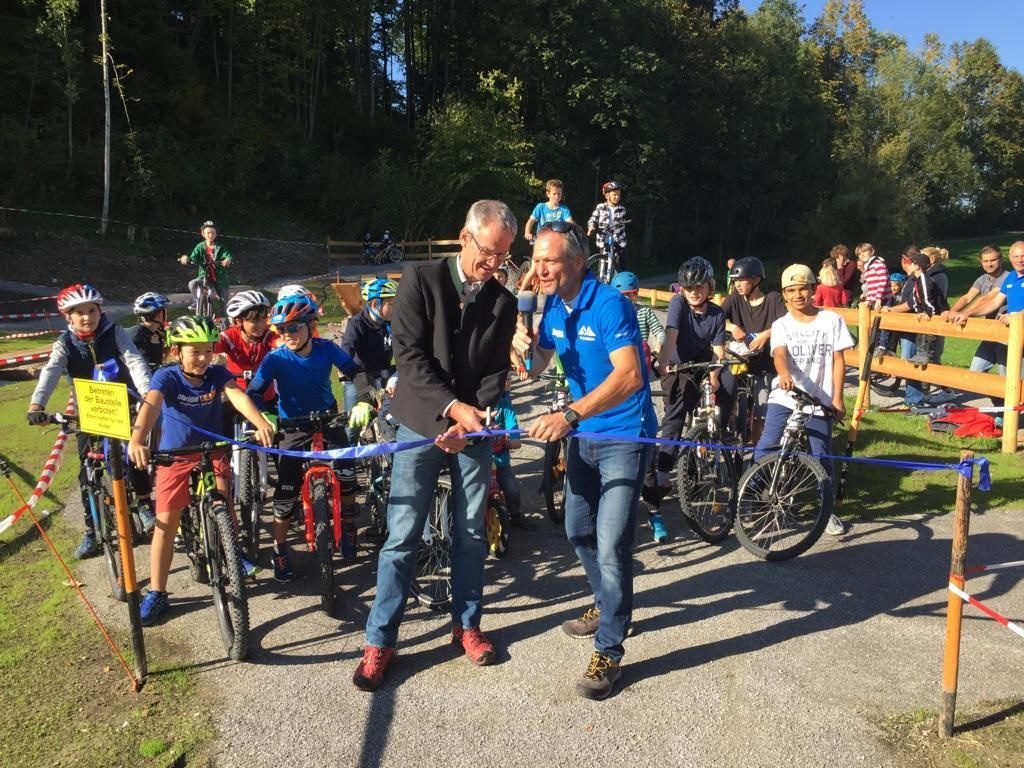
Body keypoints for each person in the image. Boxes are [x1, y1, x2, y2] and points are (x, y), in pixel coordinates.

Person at [353, 200, 518, 692]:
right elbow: (411, 359)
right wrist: (451, 410)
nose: (494, 267)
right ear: (464, 238)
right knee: (403, 536)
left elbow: (494, 373)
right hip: (419, 423)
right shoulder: (420, 280)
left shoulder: (503, 301)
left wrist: (471, 418)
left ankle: (466, 625)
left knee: (470, 533)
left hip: (473, 428)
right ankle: (380, 639)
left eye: (504, 258)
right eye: (488, 254)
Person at [511, 220, 656, 701]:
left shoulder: (609, 302)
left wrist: (569, 414)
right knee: (576, 529)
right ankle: (606, 600)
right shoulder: (552, 305)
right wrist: (523, 347)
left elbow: (630, 377)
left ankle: (609, 650)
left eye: (550, 260)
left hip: (623, 437)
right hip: (583, 438)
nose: (540, 269)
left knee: (613, 544)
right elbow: (537, 366)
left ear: (577, 262)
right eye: (536, 260)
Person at [127, 316, 274, 625]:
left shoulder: (217, 374)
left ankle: (231, 550)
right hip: (175, 456)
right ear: (176, 352)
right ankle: (157, 591)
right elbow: (151, 406)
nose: (204, 358)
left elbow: (237, 394)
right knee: (166, 524)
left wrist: (259, 422)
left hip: (211, 451)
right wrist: (138, 439)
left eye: (208, 350)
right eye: (195, 351)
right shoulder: (167, 377)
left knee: (225, 502)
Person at [247, 295, 366, 583]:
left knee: (348, 474)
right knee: (286, 491)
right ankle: (280, 548)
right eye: (280, 330)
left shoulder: (326, 349)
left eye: (293, 328)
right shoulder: (275, 358)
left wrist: (362, 400)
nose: (286, 335)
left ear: (311, 326)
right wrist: (266, 417)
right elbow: (253, 392)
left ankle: (348, 528)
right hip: (292, 425)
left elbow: (355, 373)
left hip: (328, 418)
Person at [28, 284, 155, 552]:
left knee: (134, 456)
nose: (87, 317)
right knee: (87, 471)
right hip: (89, 409)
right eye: (79, 313)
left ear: (100, 310)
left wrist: (146, 392)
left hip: (122, 402)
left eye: (91, 310)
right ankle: (91, 530)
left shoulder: (115, 332)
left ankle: (144, 502)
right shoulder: (64, 343)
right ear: (68, 317)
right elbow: (50, 372)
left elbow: (134, 361)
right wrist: (37, 405)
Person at [756, 265, 853, 537]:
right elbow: (779, 354)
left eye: (802, 289)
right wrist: (784, 374)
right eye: (791, 291)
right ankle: (758, 496)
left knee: (822, 456)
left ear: (813, 290)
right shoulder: (781, 324)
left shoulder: (831, 321)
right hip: (786, 396)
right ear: (784, 295)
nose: (797, 295)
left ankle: (826, 511)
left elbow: (838, 360)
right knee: (766, 446)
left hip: (819, 400)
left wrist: (837, 398)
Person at [643, 257, 734, 542]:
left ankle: (719, 435)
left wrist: (717, 373)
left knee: (729, 383)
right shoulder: (678, 304)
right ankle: (663, 472)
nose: (694, 291)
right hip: (677, 364)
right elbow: (671, 335)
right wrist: (663, 362)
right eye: (688, 287)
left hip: (704, 363)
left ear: (709, 287)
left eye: (699, 286)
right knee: (675, 414)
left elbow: (719, 350)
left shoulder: (717, 314)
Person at [721, 257, 787, 443]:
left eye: (742, 280)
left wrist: (766, 335)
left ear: (756, 280)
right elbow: (716, 317)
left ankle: (758, 453)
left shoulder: (773, 300)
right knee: (724, 395)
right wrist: (732, 327)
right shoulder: (734, 300)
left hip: (765, 364)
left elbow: (787, 324)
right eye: (735, 281)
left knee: (761, 410)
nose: (737, 285)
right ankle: (726, 431)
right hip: (738, 361)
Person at [943, 245, 1008, 401]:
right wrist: (953, 311)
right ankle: (1000, 406)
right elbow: (967, 297)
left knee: (1007, 379)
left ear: (1000, 260)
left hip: (1005, 336)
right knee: (975, 374)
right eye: (985, 261)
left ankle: (1004, 416)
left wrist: (965, 313)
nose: (989, 264)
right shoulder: (983, 279)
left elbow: (988, 299)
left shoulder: (1007, 277)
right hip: (989, 335)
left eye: (993, 260)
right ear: (981, 262)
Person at [339, 278, 398, 442]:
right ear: (375, 305)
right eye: (391, 304)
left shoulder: (394, 323)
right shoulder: (356, 323)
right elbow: (346, 351)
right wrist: (346, 368)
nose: (395, 308)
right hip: (359, 378)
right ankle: (346, 464)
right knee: (353, 425)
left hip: (385, 375)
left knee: (395, 419)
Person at [885, 252, 947, 367]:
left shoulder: (924, 279)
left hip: (936, 312)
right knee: (920, 336)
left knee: (928, 336)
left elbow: (928, 298)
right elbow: (915, 298)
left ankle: (926, 355)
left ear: (917, 266)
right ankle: (921, 355)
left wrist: (929, 312)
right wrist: (919, 311)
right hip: (926, 312)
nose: (910, 265)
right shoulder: (916, 280)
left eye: (912, 263)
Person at [611, 271, 665, 375]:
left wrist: (658, 347)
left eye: (628, 294)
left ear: (635, 294)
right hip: (618, 356)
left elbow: (660, 332)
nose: (625, 298)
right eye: (621, 295)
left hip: (640, 356)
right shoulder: (612, 314)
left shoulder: (644, 312)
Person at [179, 220, 232, 318]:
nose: (210, 235)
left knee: (224, 306)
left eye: (213, 233)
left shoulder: (221, 247)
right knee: (192, 283)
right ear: (203, 234)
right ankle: (198, 301)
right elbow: (192, 258)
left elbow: (227, 257)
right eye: (208, 233)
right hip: (205, 278)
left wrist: (227, 260)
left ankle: (226, 325)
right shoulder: (199, 247)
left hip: (220, 280)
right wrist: (185, 258)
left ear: (216, 234)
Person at [490, 385, 526, 529]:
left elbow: (512, 425)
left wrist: (514, 438)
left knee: (512, 489)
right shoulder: (475, 406)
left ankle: (515, 514)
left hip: (500, 461)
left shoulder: (504, 406)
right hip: (480, 461)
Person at [587, 181, 628, 270]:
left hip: (619, 240)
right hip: (605, 239)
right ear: (607, 196)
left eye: (618, 195)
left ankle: (620, 278)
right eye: (614, 194)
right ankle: (601, 277)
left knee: (621, 265)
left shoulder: (622, 209)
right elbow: (593, 218)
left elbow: (621, 222)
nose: (617, 197)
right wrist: (591, 226)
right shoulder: (601, 207)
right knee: (603, 262)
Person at [524, 179, 573, 244]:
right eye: (554, 194)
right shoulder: (540, 207)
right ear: (548, 194)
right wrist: (527, 232)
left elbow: (570, 223)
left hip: (558, 241)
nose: (557, 196)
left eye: (559, 194)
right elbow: (531, 221)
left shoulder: (564, 209)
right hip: (542, 240)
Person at [130, 292, 170, 371]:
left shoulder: (155, 333)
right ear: (159, 315)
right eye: (164, 311)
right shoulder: (137, 337)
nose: (167, 314)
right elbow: (143, 366)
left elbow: (157, 359)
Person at [856, 242, 888, 309]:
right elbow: (871, 287)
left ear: (872, 251)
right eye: (859, 254)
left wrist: (878, 298)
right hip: (875, 300)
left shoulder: (877, 263)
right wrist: (868, 300)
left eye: (864, 251)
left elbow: (883, 280)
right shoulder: (868, 267)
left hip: (884, 299)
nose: (862, 255)